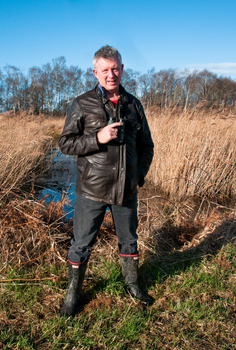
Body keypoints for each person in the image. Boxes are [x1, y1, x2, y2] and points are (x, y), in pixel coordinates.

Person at [58, 45, 155, 317]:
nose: (110, 74)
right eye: (105, 70)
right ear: (95, 72)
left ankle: (133, 285)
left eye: (115, 69)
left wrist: (138, 176)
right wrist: (97, 139)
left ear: (122, 69)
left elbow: (147, 146)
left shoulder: (133, 104)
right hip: (92, 190)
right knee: (81, 244)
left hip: (127, 190)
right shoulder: (82, 103)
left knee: (130, 240)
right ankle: (73, 294)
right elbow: (65, 143)